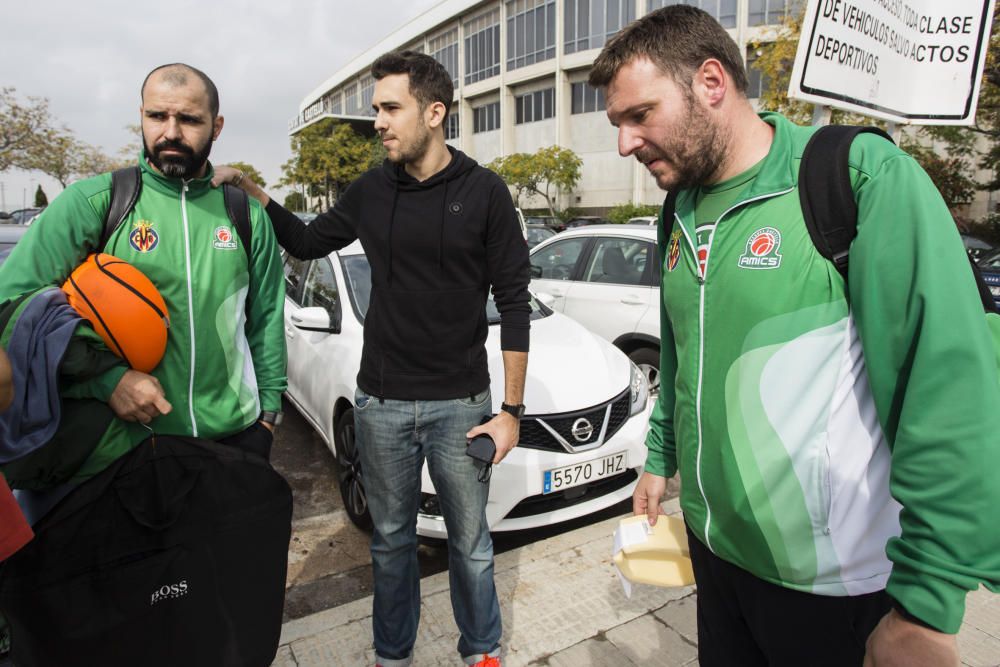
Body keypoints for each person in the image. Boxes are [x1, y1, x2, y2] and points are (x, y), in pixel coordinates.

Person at [589, 6, 1000, 667]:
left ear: (711, 82)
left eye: (639, 114)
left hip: (832, 584)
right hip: (714, 555)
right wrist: (661, 457)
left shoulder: (857, 177)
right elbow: (681, 353)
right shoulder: (678, 211)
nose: (625, 143)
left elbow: (951, 386)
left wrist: (928, 602)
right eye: (617, 124)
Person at [215, 51, 530, 667]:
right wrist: (257, 193)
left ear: (434, 112)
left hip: (461, 405)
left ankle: (481, 650)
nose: (379, 122)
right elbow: (308, 241)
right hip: (381, 403)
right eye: (376, 110)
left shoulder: (485, 192)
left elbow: (515, 302)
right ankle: (393, 655)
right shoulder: (371, 188)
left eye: (391, 108)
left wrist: (511, 411)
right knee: (390, 542)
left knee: (470, 542)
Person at [0, 63, 287, 473]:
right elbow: (12, 304)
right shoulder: (94, 202)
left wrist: (267, 419)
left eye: (188, 119)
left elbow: (267, 319)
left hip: (231, 442)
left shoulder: (244, 214)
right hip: (122, 448)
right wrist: (107, 379)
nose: (171, 132)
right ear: (142, 116)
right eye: (157, 116)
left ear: (216, 126)